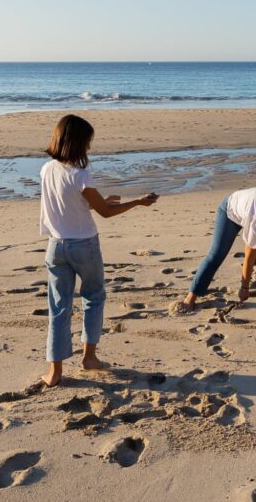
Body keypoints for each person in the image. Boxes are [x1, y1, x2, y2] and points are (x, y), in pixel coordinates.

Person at [39, 114, 158, 387]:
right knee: (93, 297)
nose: (89, 148)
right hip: (84, 245)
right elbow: (105, 213)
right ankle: (89, 358)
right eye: (88, 143)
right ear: (79, 144)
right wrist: (137, 203)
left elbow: (69, 205)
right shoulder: (80, 174)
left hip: (56, 246)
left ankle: (54, 371)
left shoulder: (47, 169)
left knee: (59, 308)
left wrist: (97, 201)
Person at [177, 188, 256, 312]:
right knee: (217, 254)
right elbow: (249, 259)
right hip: (231, 211)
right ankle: (191, 296)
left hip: (255, 206)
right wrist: (244, 287)